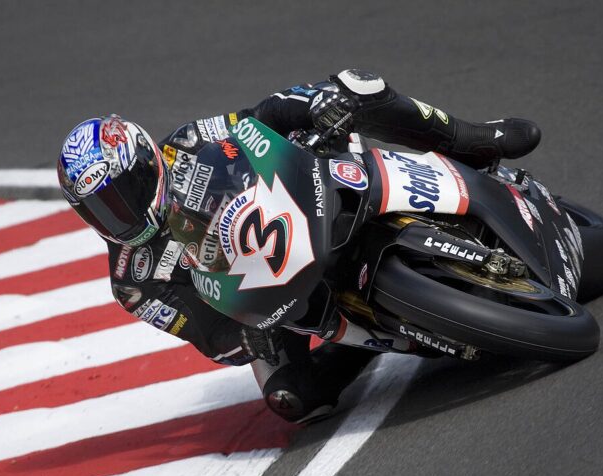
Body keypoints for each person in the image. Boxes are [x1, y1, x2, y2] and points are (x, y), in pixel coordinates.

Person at [57, 69, 540, 423]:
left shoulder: (186, 142)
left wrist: (311, 108)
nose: (118, 214)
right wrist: (245, 339)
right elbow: (210, 337)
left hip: (296, 208)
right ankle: (365, 344)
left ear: (146, 163)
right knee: (291, 399)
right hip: (263, 303)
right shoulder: (134, 281)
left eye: (123, 194)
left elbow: (260, 120)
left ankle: (472, 138)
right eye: (99, 209)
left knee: (355, 87)